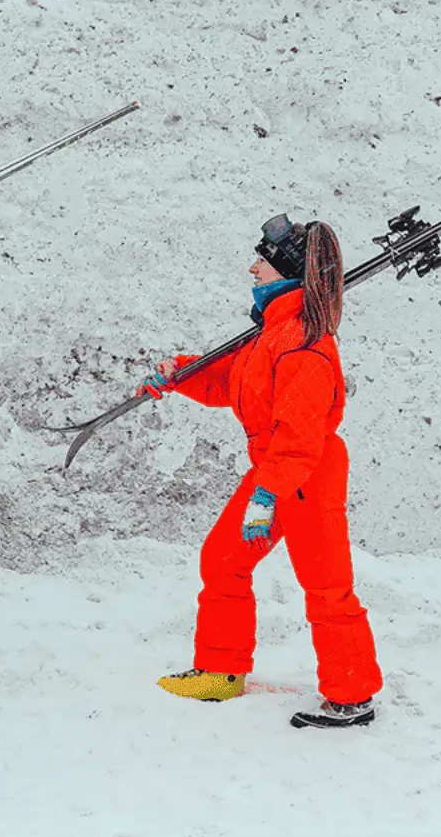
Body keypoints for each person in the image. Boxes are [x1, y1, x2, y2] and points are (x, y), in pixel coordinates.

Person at [139, 215, 383, 729]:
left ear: (286, 275)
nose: (252, 268)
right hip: (274, 471)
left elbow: (301, 439)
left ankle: (351, 695)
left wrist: (266, 496)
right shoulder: (271, 335)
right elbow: (229, 382)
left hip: (306, 477)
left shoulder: (304, 346)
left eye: (262, 262)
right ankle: (220, 670)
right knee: (224, 559)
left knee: (326, 586)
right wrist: (178, 374)